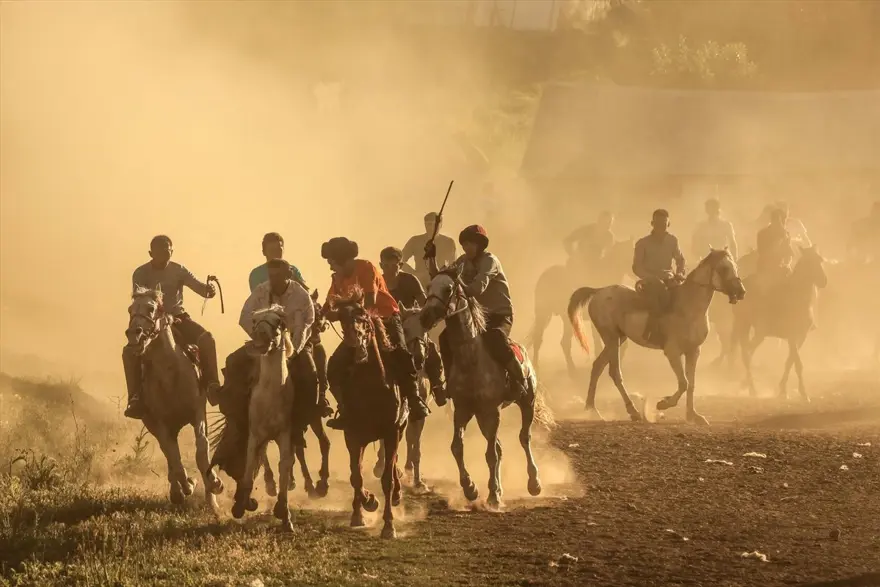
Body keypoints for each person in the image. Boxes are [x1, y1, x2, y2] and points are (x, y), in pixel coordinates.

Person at [321, 237, 431, 429]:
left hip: (386, 320)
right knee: (334, 367)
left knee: (401, 354)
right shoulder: (337, 278)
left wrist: (342, 312)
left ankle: (414, 400)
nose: (330, 266)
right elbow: (328, 306)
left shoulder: (366, 268)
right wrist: (323, 315)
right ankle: (345, 408)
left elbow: (370, 304)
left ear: (343, 259)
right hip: (356, 329)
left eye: (332, 261)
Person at [425, 225, 527, 403]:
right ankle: (449, 382)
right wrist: (431, 257)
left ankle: (519, 381)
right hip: (475, 317)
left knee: (495, 338)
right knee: (444, 338)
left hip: (499, 314)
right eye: (464, 244)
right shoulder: (463, 261)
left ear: (480, 245)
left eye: (470, 244)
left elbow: (477, 288)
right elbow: (441, 278)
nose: (466, 248)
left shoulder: (490, 261)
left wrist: (456, 285)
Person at [122, 235, 219, 419]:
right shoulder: (140, 273)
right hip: (150, 324)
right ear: (151, 253)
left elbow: (198, 287)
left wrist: (209, 290)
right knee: (129, 352)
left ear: (172, 251)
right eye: (159, 249)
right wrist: (158, 315)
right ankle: (135, 397)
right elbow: (140, 298)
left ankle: (212, 386)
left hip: (178, 318)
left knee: (207, 339)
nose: (164, 252)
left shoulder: (179, 270)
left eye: (167, 249)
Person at [240, 233, 330, 415]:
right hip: (266, 334)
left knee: (309, 370)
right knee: (235, 364)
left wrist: (293, 350)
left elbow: (305, 322)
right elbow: (247, 315)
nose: (276, 253)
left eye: (279, 249)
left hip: (292, 338)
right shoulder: (258, 280)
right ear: (264, 251)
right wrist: (259, 337)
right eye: (272, 249)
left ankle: (315, 405)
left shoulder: (295, 279)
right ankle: (237, 412)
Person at [379, 246, 447, 406]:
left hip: (411, 325)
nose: (390, 269)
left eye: (394, 265)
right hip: (384, 328)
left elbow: (424, 303)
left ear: (400, 265)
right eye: (386, 265)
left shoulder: (410, 280)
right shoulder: (377, 282)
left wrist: (417, 314)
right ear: (381, 266)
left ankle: (437, 386)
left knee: (431, 351)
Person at [632, 210, 687, 345]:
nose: (661, 227)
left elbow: (680, 260)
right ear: (652, 224)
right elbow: (637, 267)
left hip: (669, 278)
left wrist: (680, 273)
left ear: (668, 224)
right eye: (658, 224)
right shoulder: (642, 243)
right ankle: (651, 332)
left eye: (664, 224)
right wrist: (650, 277)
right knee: (656, 303)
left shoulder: (672, 240)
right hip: (650, 282)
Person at [401, 213, 457, 287]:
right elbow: (399, 260)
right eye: (427, 224)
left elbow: (453, 265)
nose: (430, 227)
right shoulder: (415, 241)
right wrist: (414, 274)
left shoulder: (449, 242)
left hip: (441, 284)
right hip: (420, 283)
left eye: (433, 224)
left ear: (441, 225)